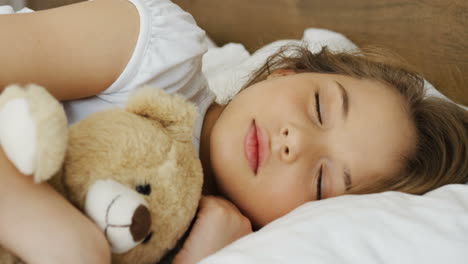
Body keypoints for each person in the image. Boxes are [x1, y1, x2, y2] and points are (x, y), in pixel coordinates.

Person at [0, 0, 466, 263]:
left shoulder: (206, 245)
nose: (294, 142)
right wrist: (66, 243)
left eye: (322, 182)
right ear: (288, 71)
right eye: (320, 107)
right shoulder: (160, 57)